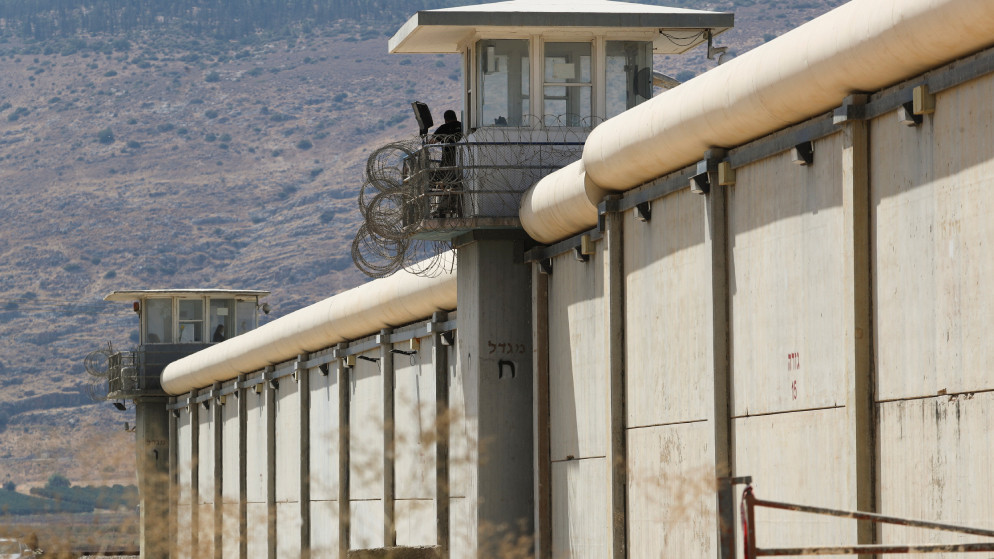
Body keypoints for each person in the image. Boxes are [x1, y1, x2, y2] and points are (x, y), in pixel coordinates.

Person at [429, 110, 463, 217]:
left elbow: (432, 141)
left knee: (441, 181)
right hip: (462, 159)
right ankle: (452, 205)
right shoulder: (462, 126)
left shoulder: (444, 128)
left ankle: (443, 207)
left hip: (448, 160)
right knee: (455, 183)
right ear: (455, 117)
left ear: (445, 119)